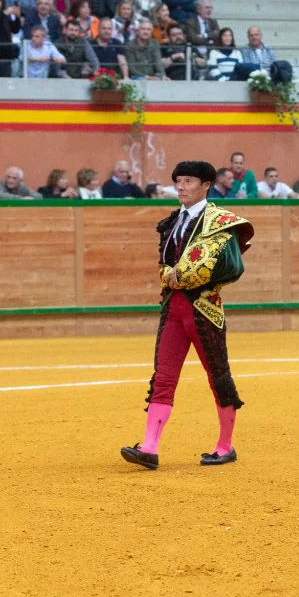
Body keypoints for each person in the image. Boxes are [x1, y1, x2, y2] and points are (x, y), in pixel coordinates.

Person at [121, 160, 254, 470]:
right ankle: (150, 448)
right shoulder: (171, 223)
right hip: (173, 309)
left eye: (188, 181)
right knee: (163, 377)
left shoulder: (221, 222)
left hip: (204, 308)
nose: (180, 186)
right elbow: (163, 263)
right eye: (178, 181)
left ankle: (225, 446)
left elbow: (233, 268)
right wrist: (170, 274)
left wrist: (187, 277)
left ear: (206, 185)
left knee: (218, 376)